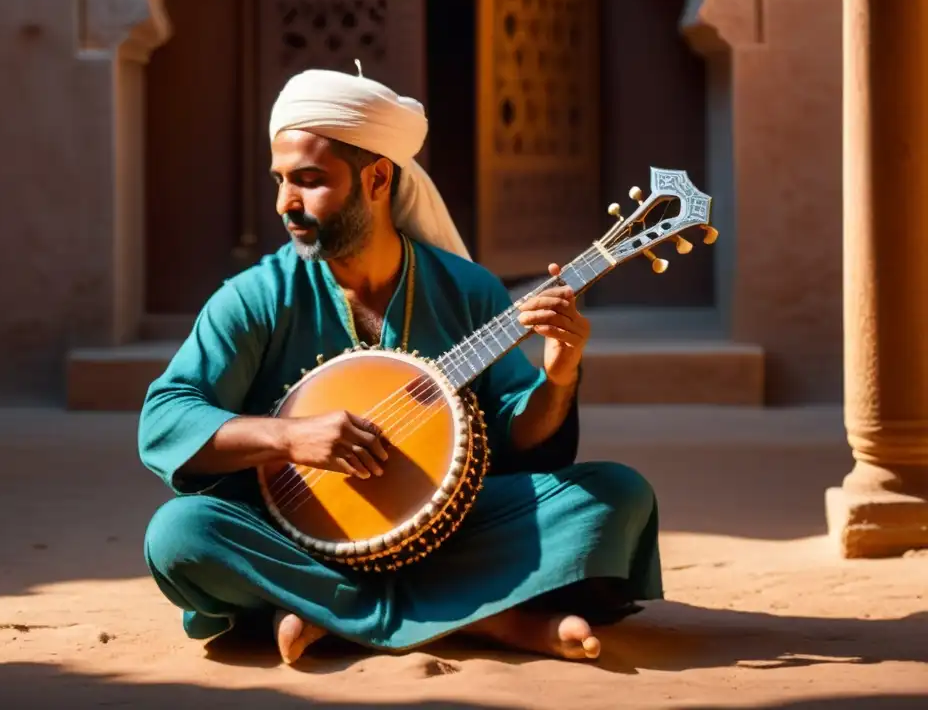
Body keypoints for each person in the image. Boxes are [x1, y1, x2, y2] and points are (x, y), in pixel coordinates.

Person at [138, 65, 663, 665]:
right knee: (181, 534)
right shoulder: (257, 296)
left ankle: (325, 611)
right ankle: (495, 619)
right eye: (280, 180)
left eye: (310, 181)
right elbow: (165, 418)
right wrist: (289, 436)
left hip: (443, 530)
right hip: (296, 534)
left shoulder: (466, 289)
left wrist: (560, 376)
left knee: (617, 496)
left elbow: (523, 441)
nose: (287, 202)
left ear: (378, 178)